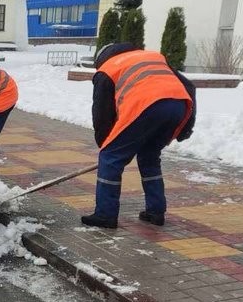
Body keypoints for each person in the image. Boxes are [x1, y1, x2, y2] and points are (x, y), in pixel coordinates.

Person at [81, 42, 196, 229]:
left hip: (145, 105)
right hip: (178, 105)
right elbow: (189, 86)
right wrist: (186, 127)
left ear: (101, 59)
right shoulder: (153, 57)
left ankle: (105, 215)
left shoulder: (107, 69)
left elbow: (101, 113)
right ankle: (155, 211)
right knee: (149, 156)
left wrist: (106, 146)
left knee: (110, 157)